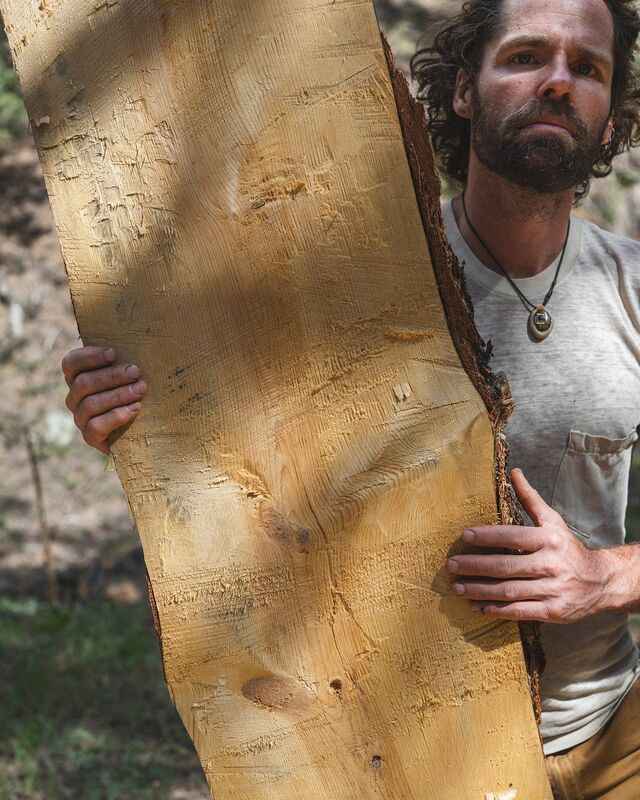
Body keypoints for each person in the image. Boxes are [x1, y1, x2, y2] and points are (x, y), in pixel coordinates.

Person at [60, 0, 640, 796]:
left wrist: (608, 578)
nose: (558, 83)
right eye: (525, 56)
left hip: (615, 739)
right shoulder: (360, 290)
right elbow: (235, 451)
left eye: (589, 68)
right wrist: (129, 416)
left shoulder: (633, 288)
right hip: (418, 756)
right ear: (464, 90)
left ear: (611, 118)